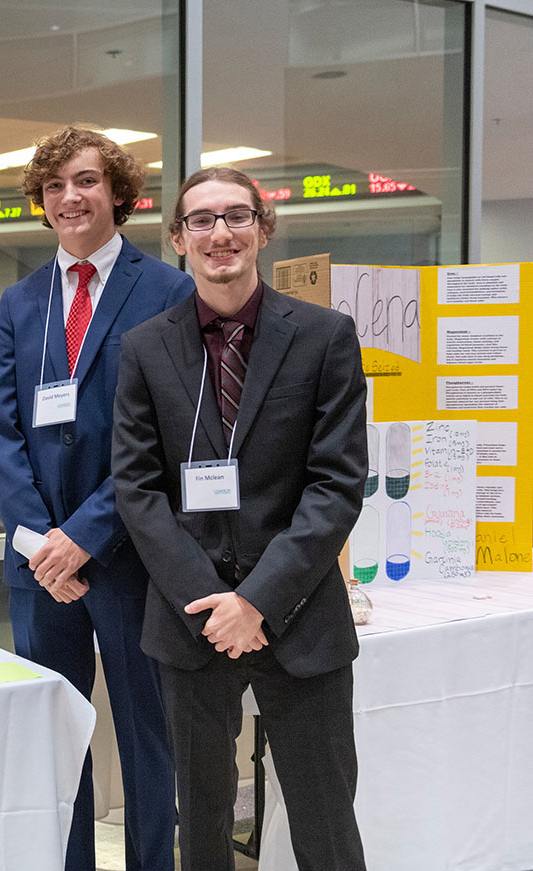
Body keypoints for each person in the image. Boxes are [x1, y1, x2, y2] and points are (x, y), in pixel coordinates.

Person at [111, 166, 367, 871]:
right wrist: (212, 604)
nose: (219, 232)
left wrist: (256, 601)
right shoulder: (143, 347)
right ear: (178, 239)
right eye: (201, 220)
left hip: (300, 615)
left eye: (235, 216)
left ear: (263, 228)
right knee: (200, 822)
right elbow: (137, 489)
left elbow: (337, 485)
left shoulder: (324, 336)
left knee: (325, 820)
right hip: (191, 624)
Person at [0, 126, 190, 871]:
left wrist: (87, 533)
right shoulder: (20, 301)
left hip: (132, 553)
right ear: (42, 202)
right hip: (43, 570)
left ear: (119, 193)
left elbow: (171, 435)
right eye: (57, 185)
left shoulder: (169, 290)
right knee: (56, 735)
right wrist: (43, 542)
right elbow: (0, 428)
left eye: (88, 180)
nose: (71, 196)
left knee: (145, 732)